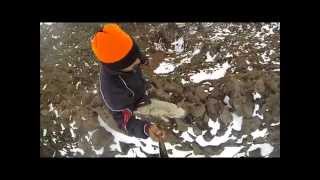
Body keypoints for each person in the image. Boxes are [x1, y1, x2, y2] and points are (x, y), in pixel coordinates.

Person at [91, 23, 167, 142]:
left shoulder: (125, 58)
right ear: (118, 67)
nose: (138, 61)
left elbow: (133, 55)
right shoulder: (112, 92)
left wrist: (142, 59)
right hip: (130, 104)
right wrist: (146, 128)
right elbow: (125, 123)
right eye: (133, 63)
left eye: (136, 55)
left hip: (138, 89)